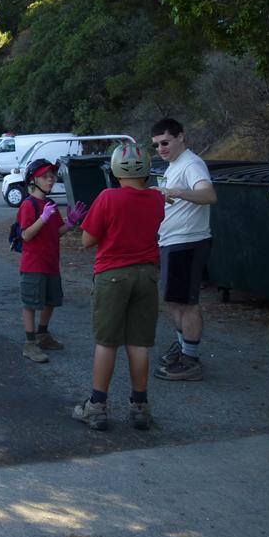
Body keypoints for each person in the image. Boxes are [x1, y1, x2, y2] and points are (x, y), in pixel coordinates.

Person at [74, 142, 166, 431]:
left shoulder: (108, 197)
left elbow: (87, 240)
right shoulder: (156, 199)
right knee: (138, 343)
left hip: (113, 275)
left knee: (107, 342)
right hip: (147, 275)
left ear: (115, 169)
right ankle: (140, 407)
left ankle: (97, 406)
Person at [150, 118, 218, 382]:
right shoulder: (174, 165)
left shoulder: (191, 164)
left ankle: (191, 360)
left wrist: (177, 192)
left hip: (188, 242)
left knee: (187, 303)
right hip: (172, 242)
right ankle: (183, 347)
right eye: (156, 145)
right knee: (174, 300)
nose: (161, 149)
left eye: (165, 142)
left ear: (181, 137)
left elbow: (208, 195)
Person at [17, 159, 88, 363]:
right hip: (33, 264)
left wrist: (71, 223)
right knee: (31, 304)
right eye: (45, 177)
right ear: (34, 180)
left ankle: (42, 335)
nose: (50, 180)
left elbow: (56, 232)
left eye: (52, 176)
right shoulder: (28, 205)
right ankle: (29, 344)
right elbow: (26, 235)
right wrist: (43, 218)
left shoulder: (50, 205)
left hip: (51, 263)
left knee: (51, 301)